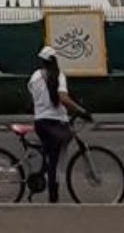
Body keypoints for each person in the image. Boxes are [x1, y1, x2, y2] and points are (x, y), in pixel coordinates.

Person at [29, 47, 90, 203]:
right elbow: (63, 98)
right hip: (55, 123)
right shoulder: (59, 76)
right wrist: (82, 111)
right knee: (55, 161)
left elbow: (35, 96)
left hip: (40, 122)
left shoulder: (35, 76)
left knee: (50, 157)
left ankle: (45, 181)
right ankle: (53, 197)